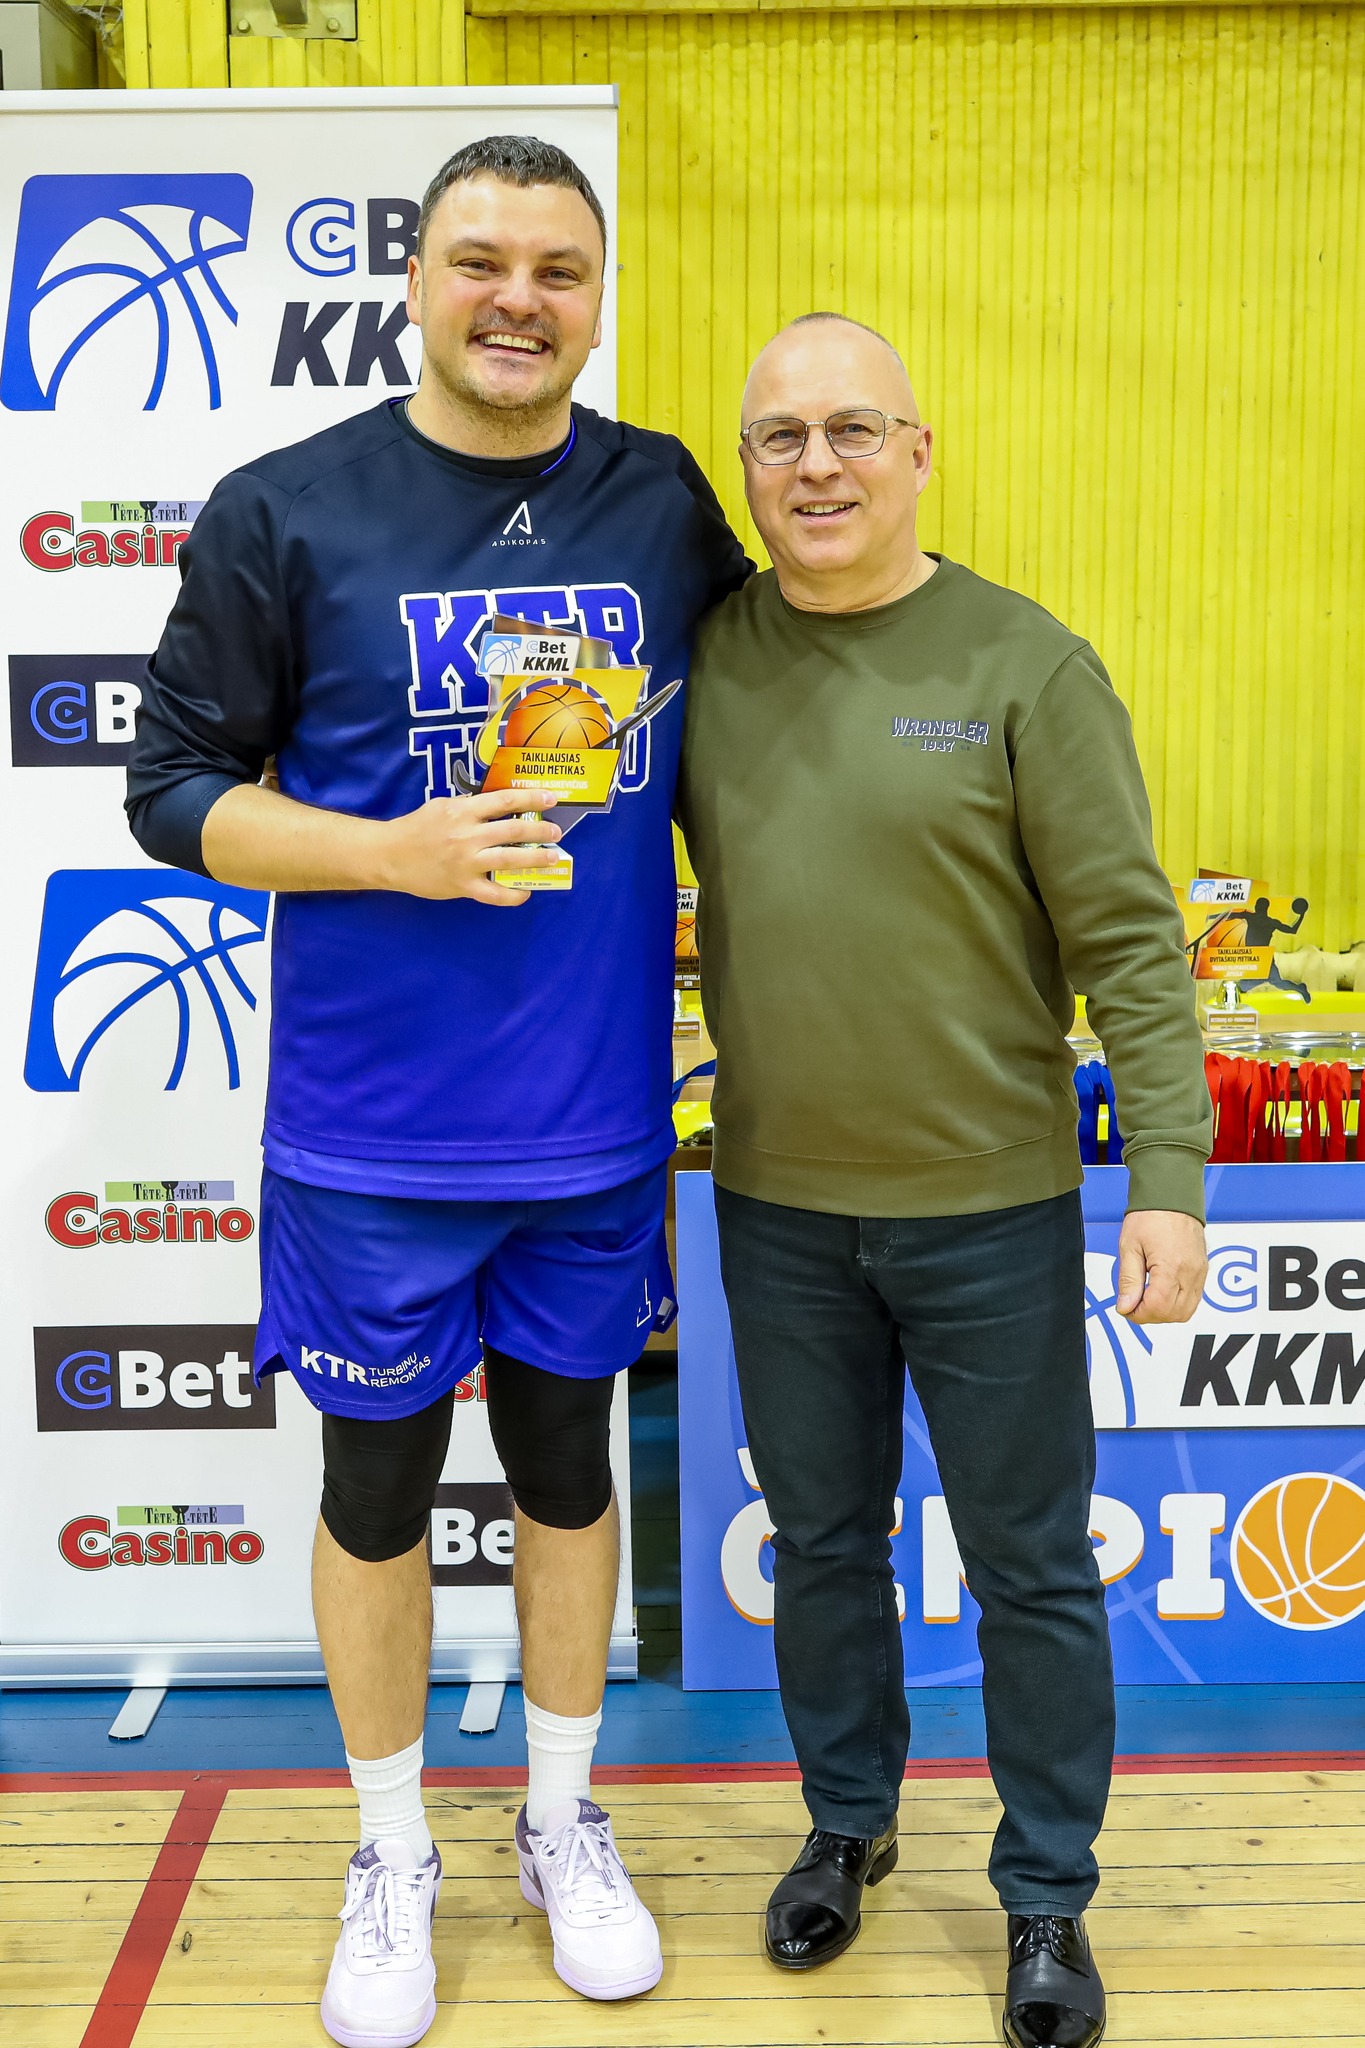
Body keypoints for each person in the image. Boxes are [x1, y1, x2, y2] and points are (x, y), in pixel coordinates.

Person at [127, 135, 749, 2048]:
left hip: (591, 1122)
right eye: (480, 260)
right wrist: (386, 855)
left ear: (598, 295)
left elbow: (756, 733)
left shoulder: (660, 497)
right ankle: (390, 1850)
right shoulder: (286, 508)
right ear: (413, 280)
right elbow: (168, 793)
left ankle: (559, 1822)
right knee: (378, 1491)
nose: (517, 300)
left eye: (557, 269)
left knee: (568, 1477)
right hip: (372, 1130)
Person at [678, 313, 1211, 2048]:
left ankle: (1046, 1893)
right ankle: (847, 1822)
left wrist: (1169, 1176)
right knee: (821, 1546)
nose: (815, 464)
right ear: (745, 471)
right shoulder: (703, 660)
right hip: (773, 1208)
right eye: (778, 438)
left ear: (917, 452)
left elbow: (1130, 944)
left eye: (851, 430)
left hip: (987, 1213)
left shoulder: (1024, 665)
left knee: (1028, 1567)